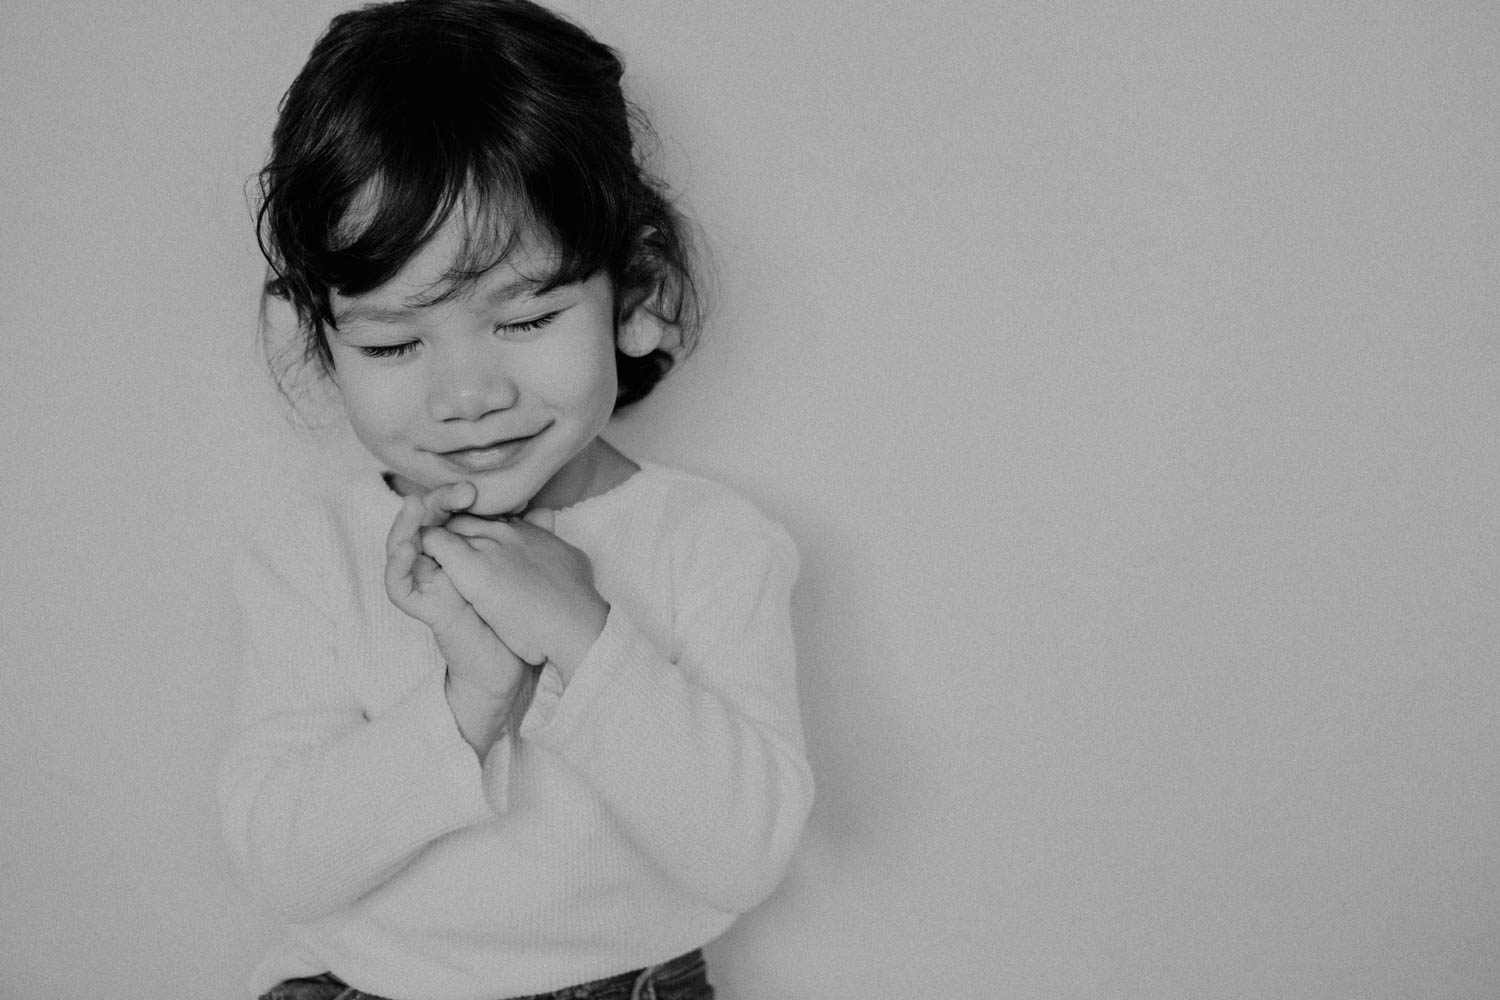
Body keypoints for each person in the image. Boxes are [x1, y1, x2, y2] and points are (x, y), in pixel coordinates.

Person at [219, 2, 814, 998]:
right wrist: (473, 695)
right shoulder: (311, 559)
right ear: (316, 340)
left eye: (526, 319)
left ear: (636, 293)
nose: (467, 395)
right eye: (394, 343)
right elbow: (283, 866)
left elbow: (744, 855)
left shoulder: (713, 543)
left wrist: (584, 632)